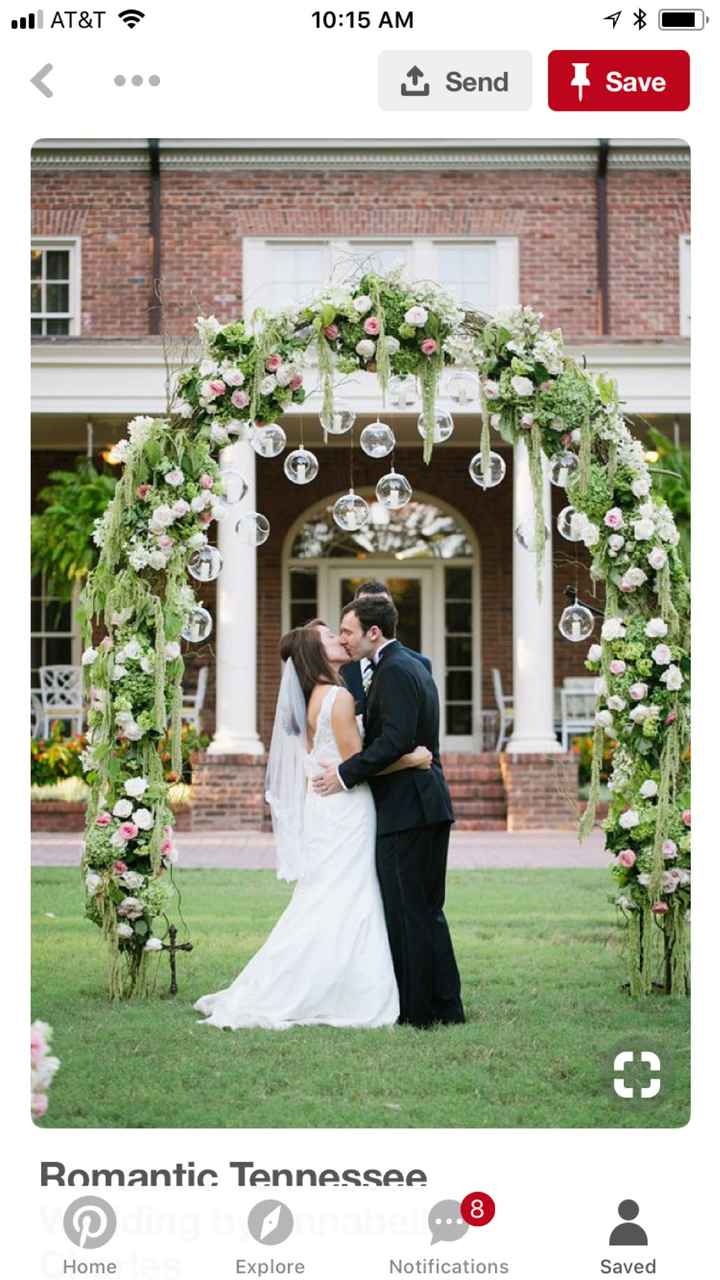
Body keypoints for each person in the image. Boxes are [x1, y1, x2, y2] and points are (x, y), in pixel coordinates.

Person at [193, 623, 431, 1031]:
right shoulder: (337, 697)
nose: (339, 638)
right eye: (327, 637)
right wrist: (411, 759)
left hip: (325, 809)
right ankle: (341, 991)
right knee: (347, 894)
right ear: (314, 654)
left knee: (325, 896)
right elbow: (361, 764)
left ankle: (317, 983)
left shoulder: (312, 698)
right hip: (344, 810)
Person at [313, 595, 465, 1030]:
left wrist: (344, 774)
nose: (343, 638)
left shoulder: (395, 670)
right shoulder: (407, 665)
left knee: (409, 910)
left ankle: (418, 1013)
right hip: (425, 802)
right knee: (427, 909)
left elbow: (393, 741)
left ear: (372, 632)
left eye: (348, 631)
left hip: (409, 807)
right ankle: (445, 1006)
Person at [340, 579, 432, 716]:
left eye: (381, 608)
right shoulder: (340, 666)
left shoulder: (420, 664)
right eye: (366, 609)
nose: (375, 616)